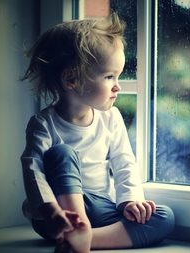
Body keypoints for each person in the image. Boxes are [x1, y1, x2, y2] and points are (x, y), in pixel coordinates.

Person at [19, 12, 175, 253]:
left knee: (163, 217)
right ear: (72, 78)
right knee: (61, 153)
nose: (118, 86)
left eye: (118, 76)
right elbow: (33, 172)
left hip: (99, 208)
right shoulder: (44, 124)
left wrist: (130, 201)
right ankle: (73, 228)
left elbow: (124, 163)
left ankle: (83, 238)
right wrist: (52, 213)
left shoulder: (111, 117)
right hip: (56, 215)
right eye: (109, 76)